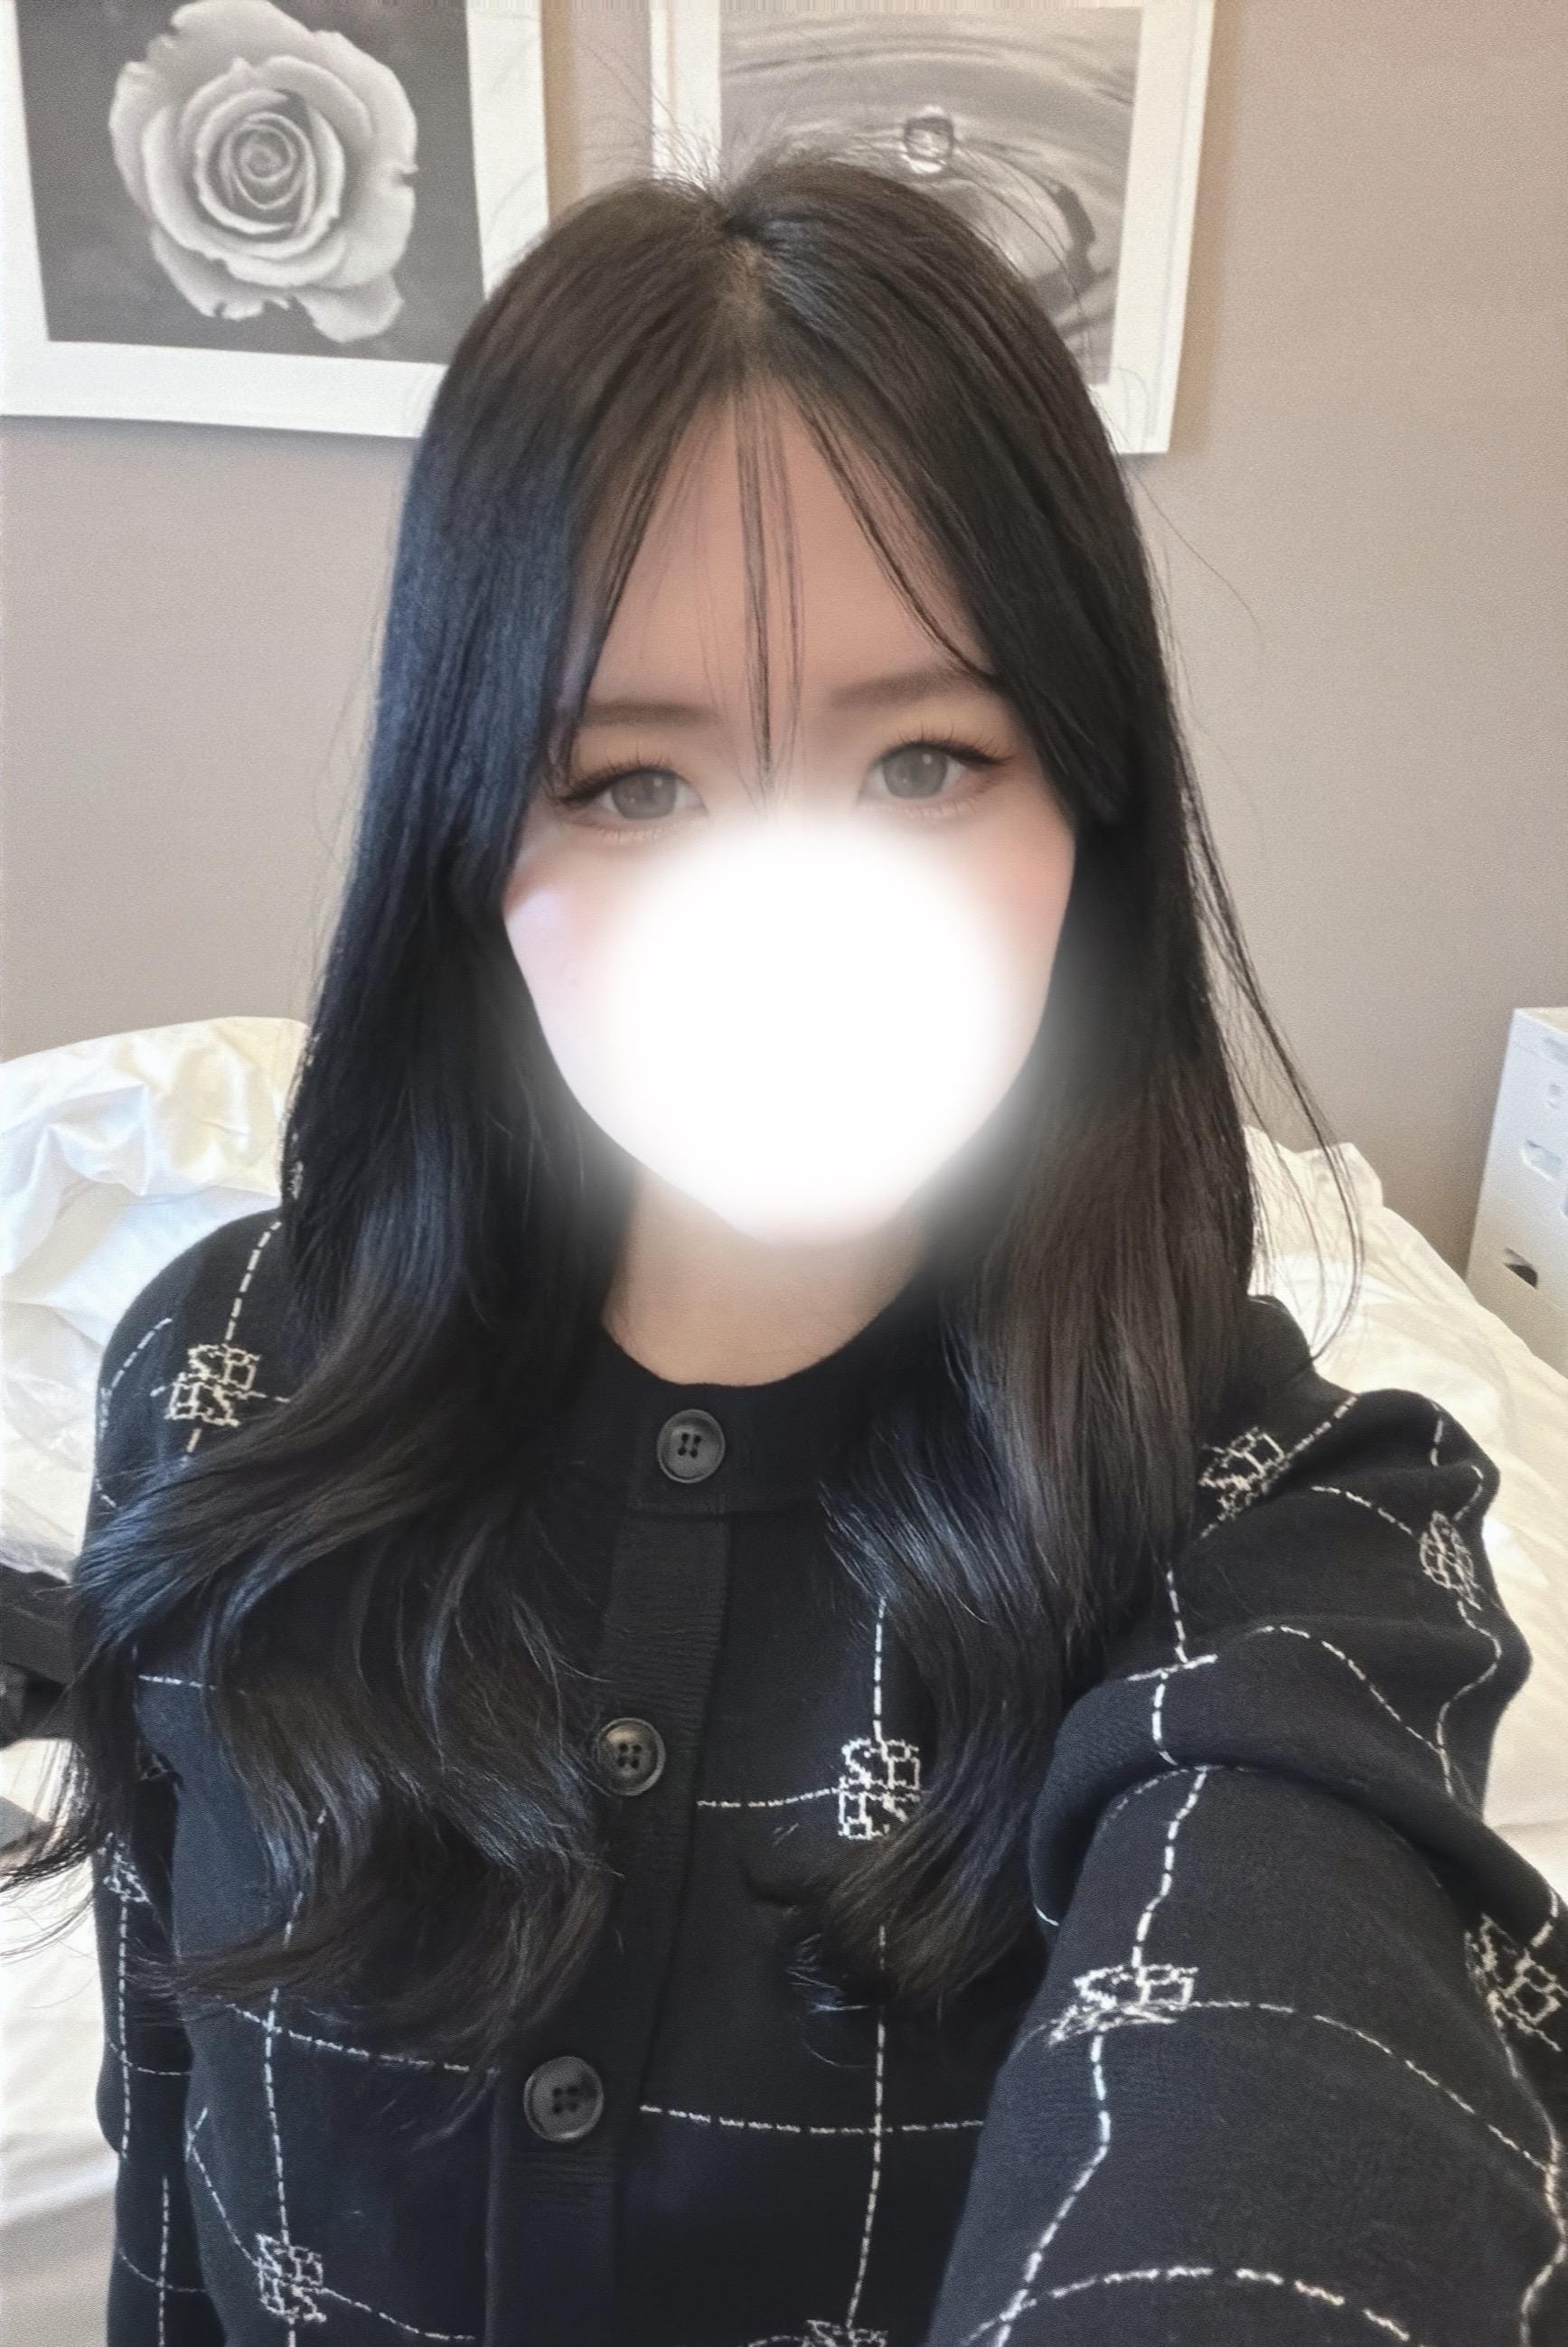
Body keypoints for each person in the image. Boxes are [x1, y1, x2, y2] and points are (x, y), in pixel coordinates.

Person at [6, 143, 1566, 2347]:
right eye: (629, 786)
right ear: (471, 853)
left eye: (923, 762)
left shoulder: (1282, 1526)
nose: (789, 924)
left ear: (1086, 822)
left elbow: (1299, 2074)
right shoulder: (219, 1382)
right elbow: (166, 2144)